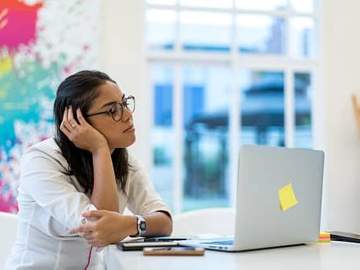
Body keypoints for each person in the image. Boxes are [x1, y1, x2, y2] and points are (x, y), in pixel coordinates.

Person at [5, 70, 172, 269]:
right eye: (112, 110)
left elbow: (164, 221)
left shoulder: (123, 161)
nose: (128, 115)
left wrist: (129, 224)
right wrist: (99, 148)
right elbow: (98, 227)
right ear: (76, 120)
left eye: (124, 104)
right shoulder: (41, 160)